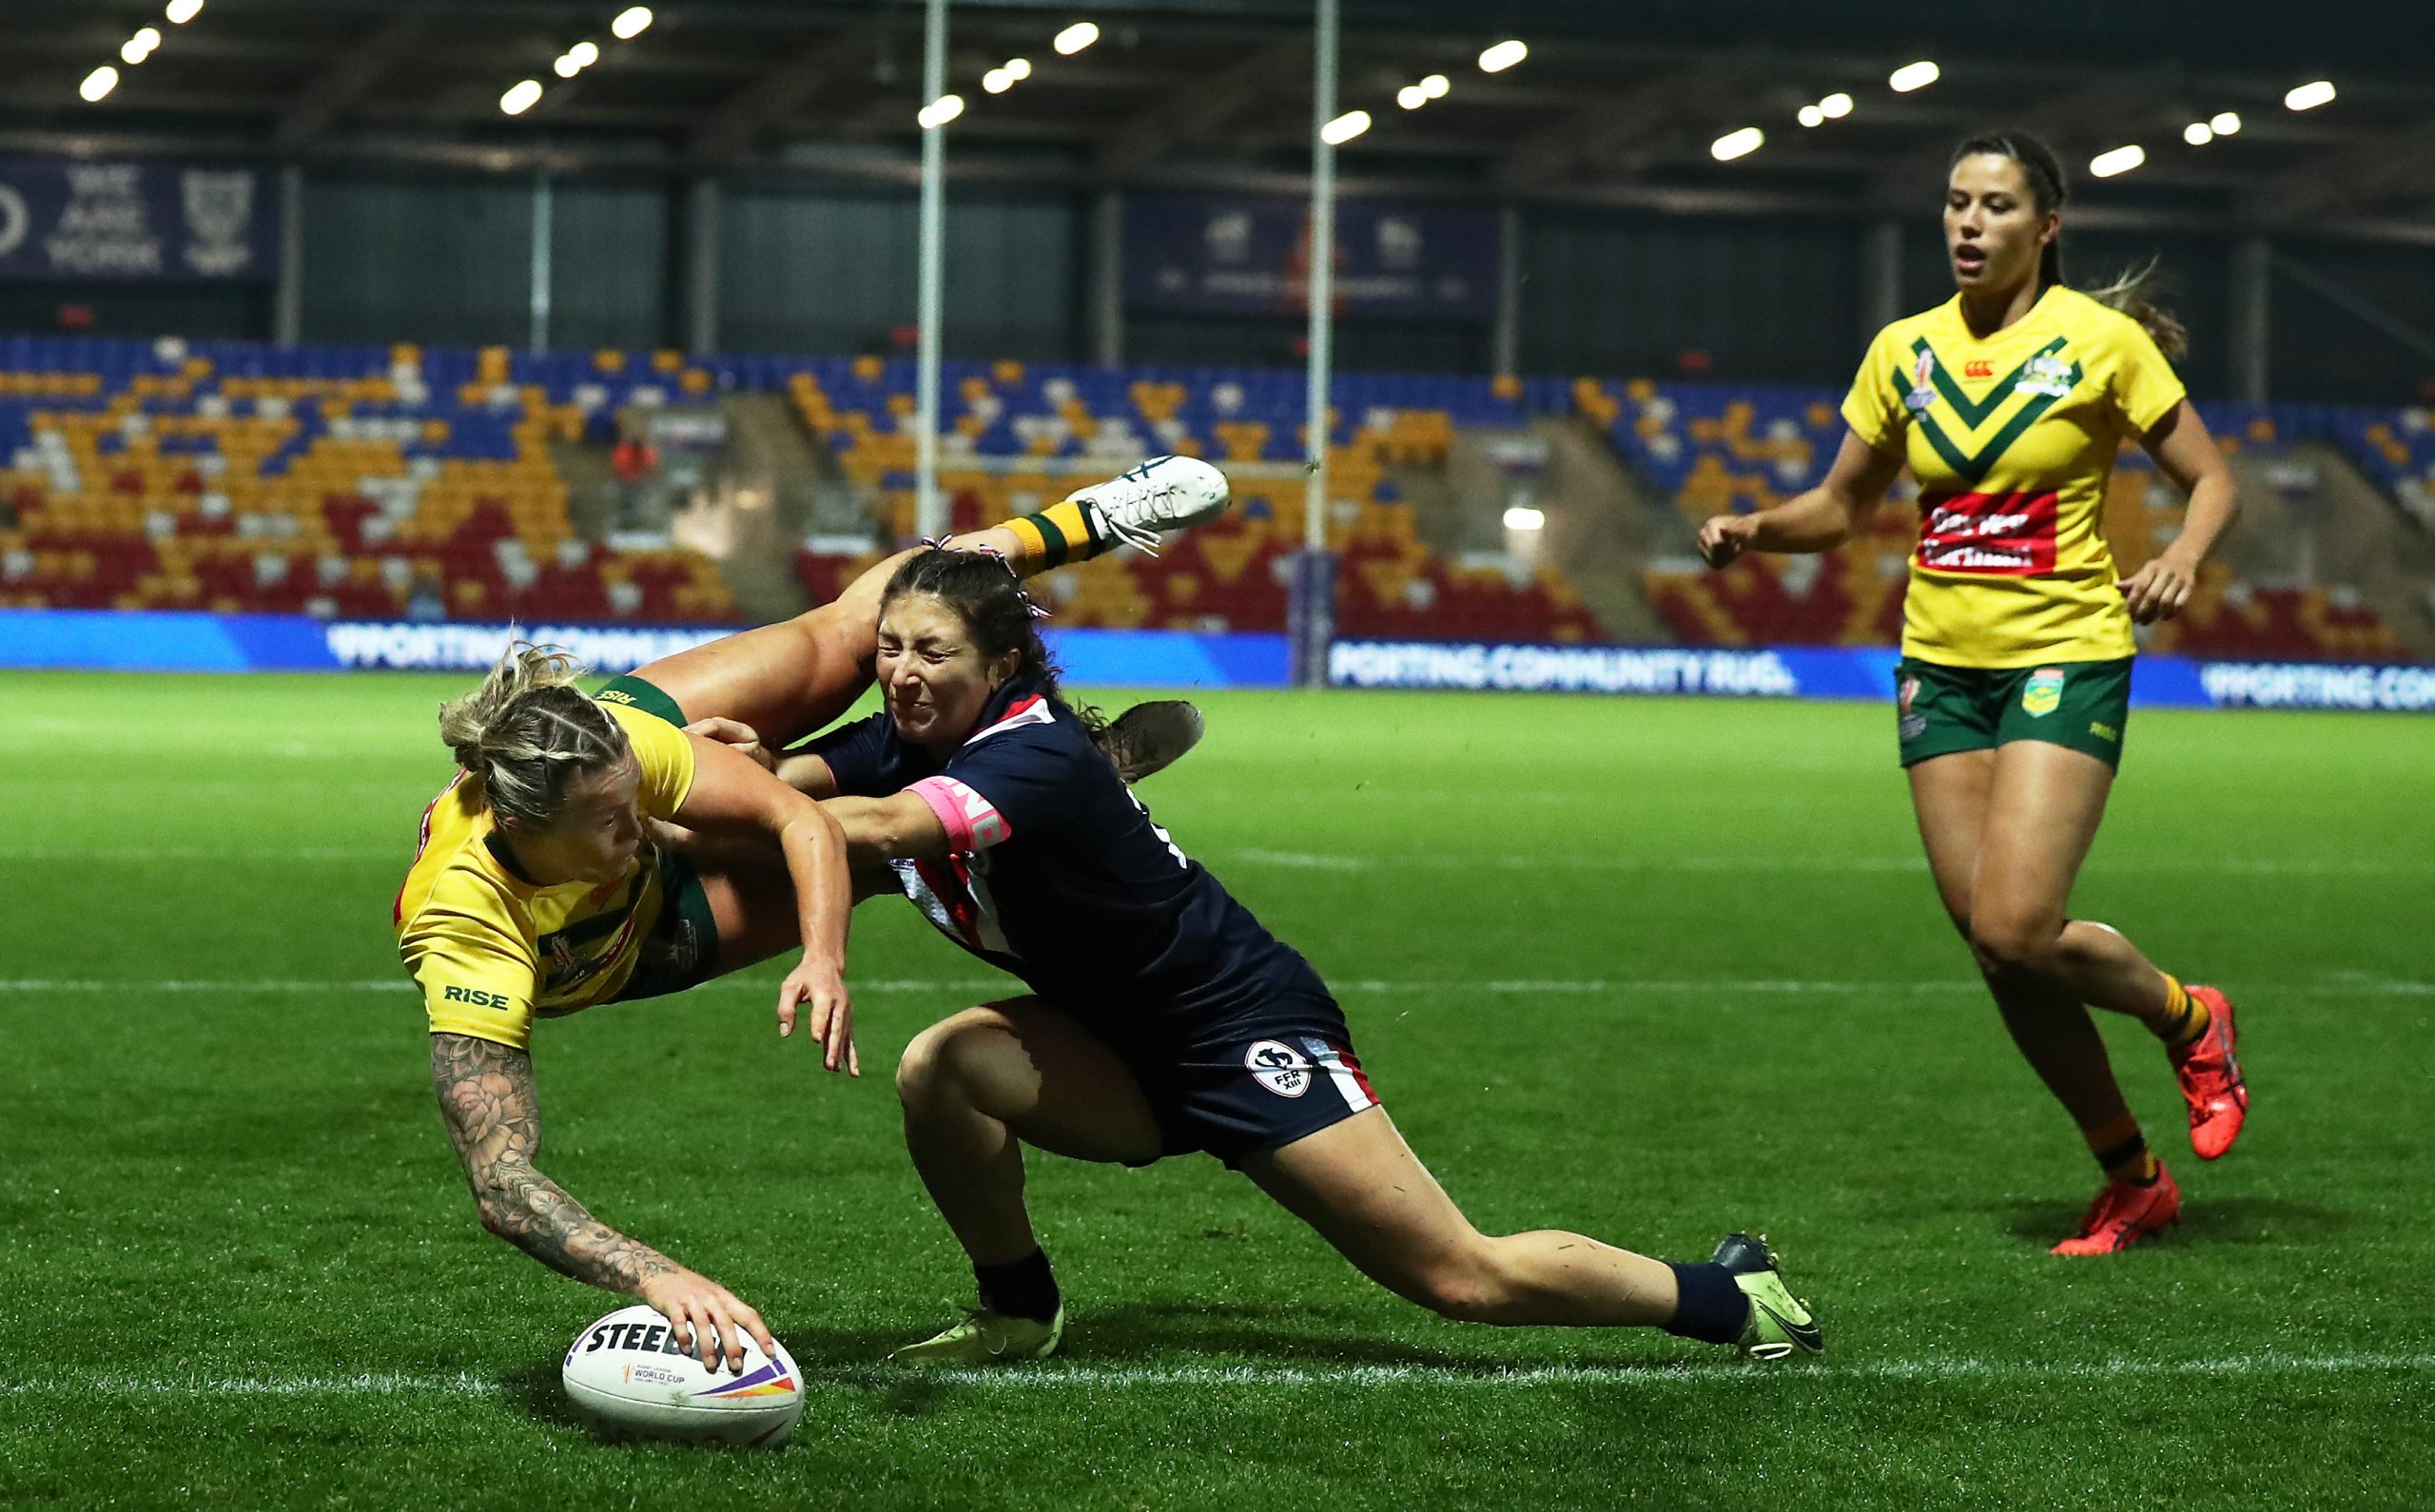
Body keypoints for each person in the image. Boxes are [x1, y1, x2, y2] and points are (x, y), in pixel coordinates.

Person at [789, 548, 1822, 1365]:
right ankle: (1019, 1308)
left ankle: (1729, 1295)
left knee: (1462, 1279)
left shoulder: (1038, 755)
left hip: (1237, 1023)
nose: (903, 674)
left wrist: (758, 809)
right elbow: (784, 788)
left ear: (1000, 666)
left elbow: (867, 828)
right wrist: (713, 769)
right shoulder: (904, 738)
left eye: (933, 652)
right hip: (1110, 1040)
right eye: (890, 648)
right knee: (943, 1068)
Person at [1696, 130, 2248, 1255]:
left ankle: (2189, 1016)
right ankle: (2131, 1177)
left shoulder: (2100, 342)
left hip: (2063, 650)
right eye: (1955, 203)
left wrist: (2183, 556)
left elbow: (2212, 479)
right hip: (1939, 667)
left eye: (1994, 206)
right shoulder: (1902, 351)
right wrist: (1757, 526)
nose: (1967, 223)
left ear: (2045, 227)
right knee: (1998, 950)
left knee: (2016, 922)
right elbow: (1841, 507)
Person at [400, 642, 864, 1372]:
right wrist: (657, 1277)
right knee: (885, 855)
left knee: (846, 638)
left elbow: (801, 821)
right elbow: (501, 1182)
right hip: (625, 944)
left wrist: (823, 958)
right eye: (610, 820)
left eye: (636, 801)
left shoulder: (614, 752)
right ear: (523, 826)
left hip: (617, 824)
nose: (640, 825)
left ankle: (1070, 559)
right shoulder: (467, 920)